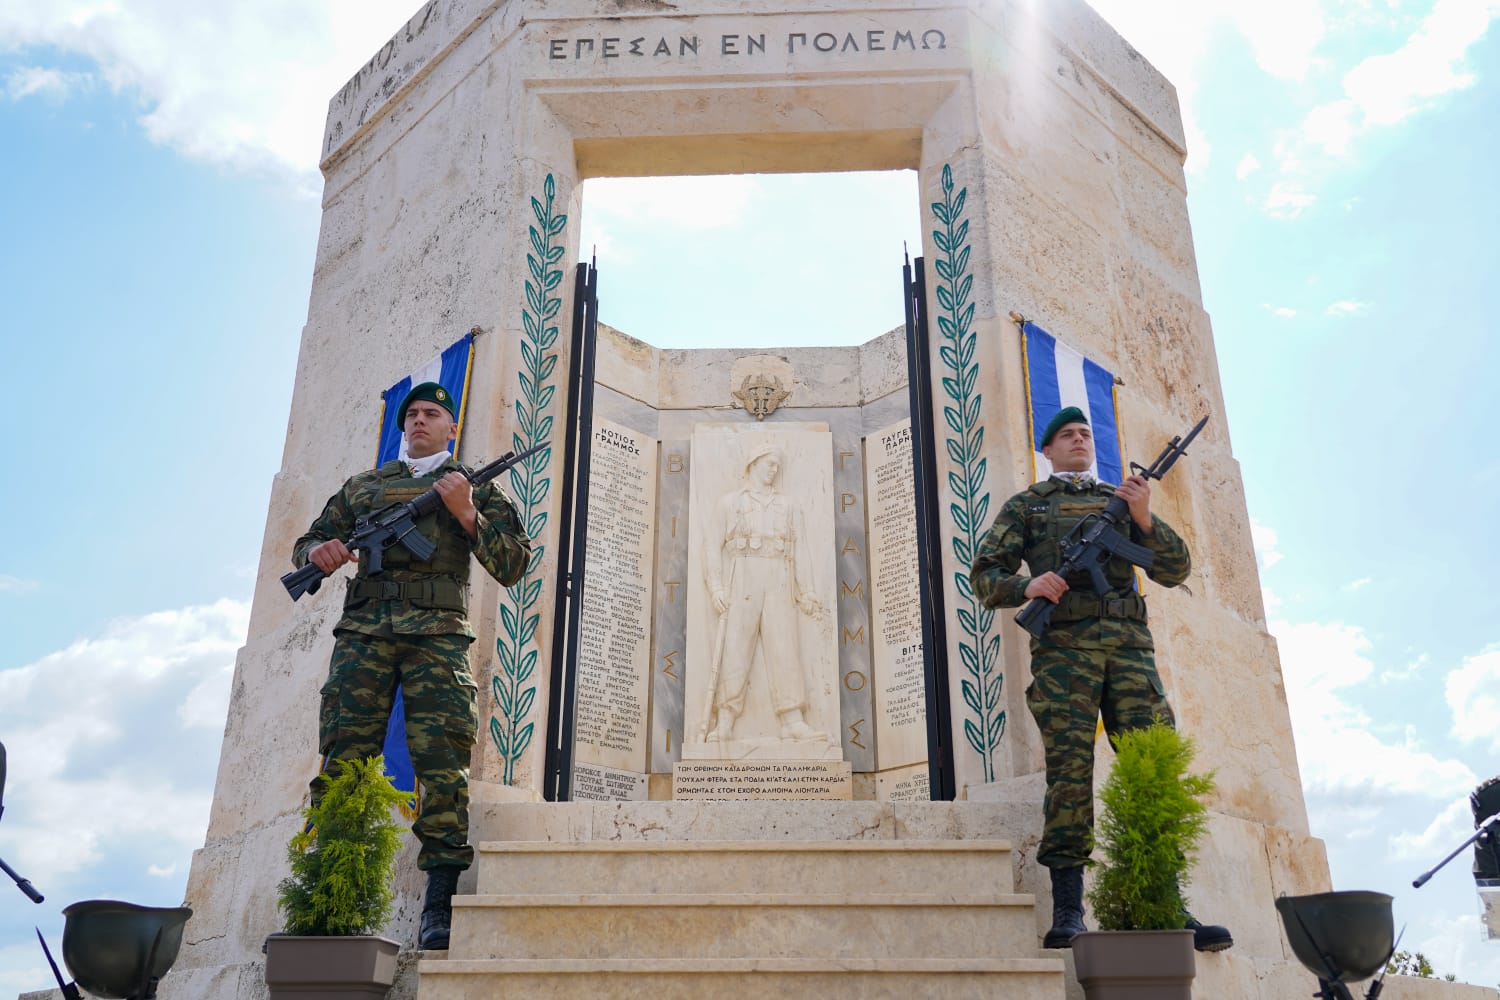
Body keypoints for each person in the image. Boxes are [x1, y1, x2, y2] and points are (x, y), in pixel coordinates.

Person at [969, 406, 1232, 953]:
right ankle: (1069, 910)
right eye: (1066, 435)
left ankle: (1167, 902)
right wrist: (1028, 586)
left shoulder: (1127, 498)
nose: (1078, 439)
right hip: (1065, 652)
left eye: (1085, 433)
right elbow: (985, 575)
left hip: (1130, 650)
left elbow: (1174, 570)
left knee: (1151, 767)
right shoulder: (1028, 506)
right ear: (1047, 449)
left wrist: (1143, 519)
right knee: (1069, 771)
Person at [291, 381, 531, 951]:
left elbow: (514, 564)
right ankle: (330, 895)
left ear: (452, 426)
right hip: (364, 634)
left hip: (438, 639)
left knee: (442, 765)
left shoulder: (469, 486)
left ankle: (438, 905)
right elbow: (308, 542)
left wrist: (467, 513)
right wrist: (317, 555)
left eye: (432, 414)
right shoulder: (365, 487)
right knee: (344, 759)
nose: (420, 421)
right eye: (413, 415)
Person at [700, 443, 824, 743]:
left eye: (777, 465)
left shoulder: (789, 505)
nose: (774, 469)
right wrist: (716, 587)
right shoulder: (729, 503)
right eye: (769, 463)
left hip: (779, 576)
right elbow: (711, 549)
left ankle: (792, 720)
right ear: (753, 463)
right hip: (742, 574)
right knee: (735, 648)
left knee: (785, 647)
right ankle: (726, 720)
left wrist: (806, 591)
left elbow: (801, 551)